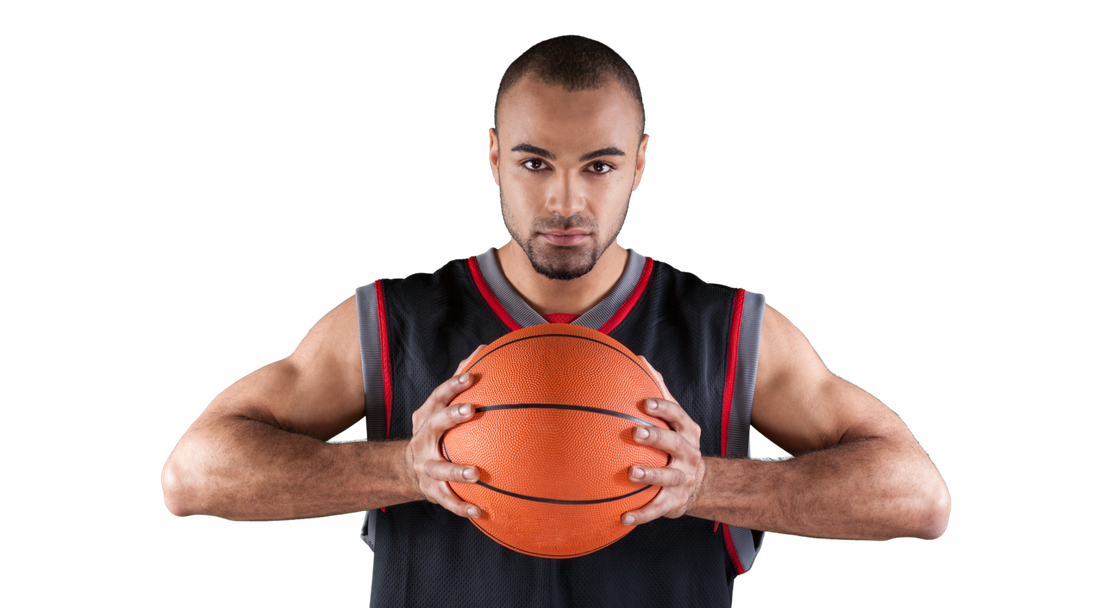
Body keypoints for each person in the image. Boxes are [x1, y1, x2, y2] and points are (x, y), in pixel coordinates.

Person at [161, 34, 951, 606]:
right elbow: (191, 475)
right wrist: (402, 470)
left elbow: (918, 498)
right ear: (492, 157)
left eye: (598, 166)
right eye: (535, 163)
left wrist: (708, 483)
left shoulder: (729, 329)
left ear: (640, 164)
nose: (565, 202)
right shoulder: (389, 322)